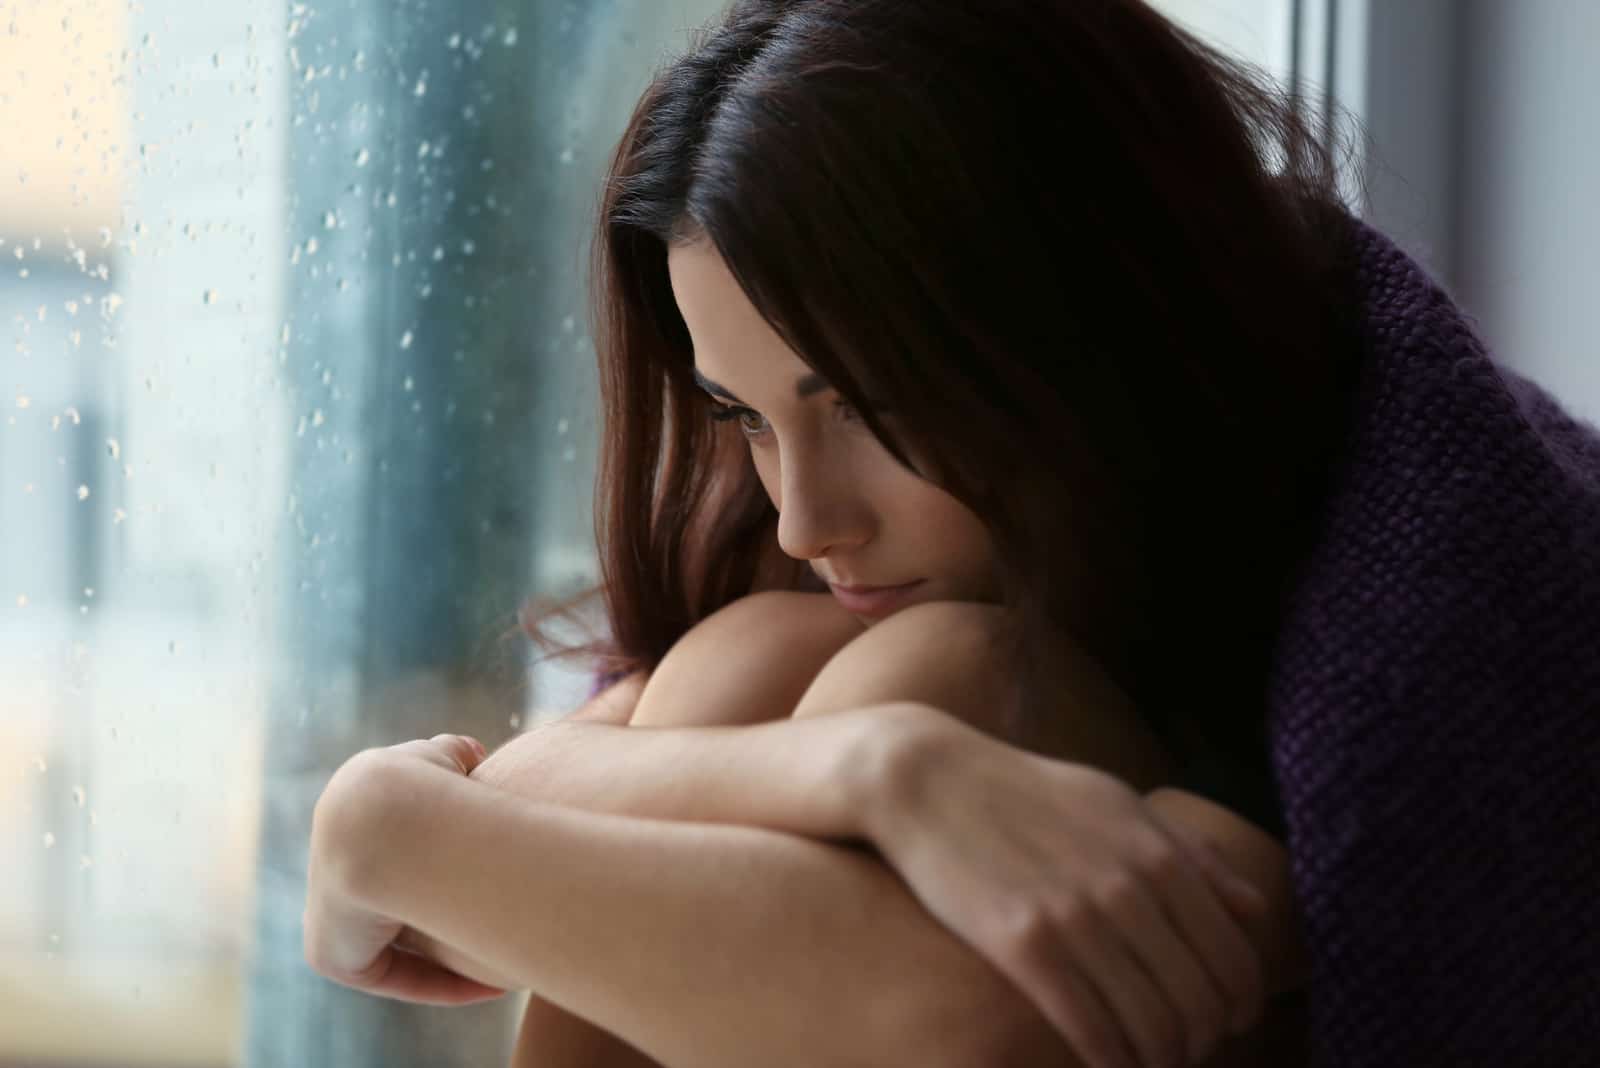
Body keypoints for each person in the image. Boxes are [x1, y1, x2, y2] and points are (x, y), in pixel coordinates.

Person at [303, 2, 1600, 1066]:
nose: (807, 518)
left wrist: (383, 824)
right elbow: (517, 814)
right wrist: (880, 771)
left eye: (866, 406)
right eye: (742, 416)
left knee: (934, 671)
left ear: (1081, 334)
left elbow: (964, 1028)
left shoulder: (1423, 644)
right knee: (755, 660)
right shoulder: (795, 603)